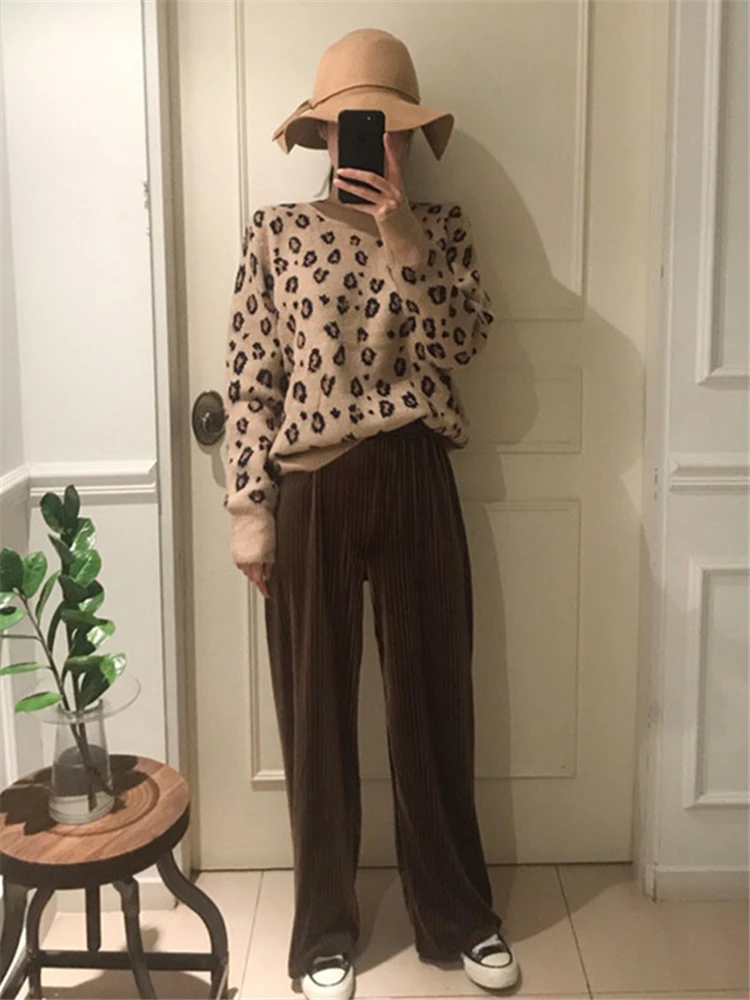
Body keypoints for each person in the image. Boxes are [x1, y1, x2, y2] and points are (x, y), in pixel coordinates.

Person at [222, 27, 520, 1000]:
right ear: (325, 136)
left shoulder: (443, 228)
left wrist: (404, 239)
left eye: (389, 128)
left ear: (408, 138)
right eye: (358, 127)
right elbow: (251, 377)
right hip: (310, 489)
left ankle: (459, 915)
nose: (375, 144)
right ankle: (323, 931)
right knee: (315, 717)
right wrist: (249, 510)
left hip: (416, 474)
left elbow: (463, 345)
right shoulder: (275, 232)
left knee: (433, 706)